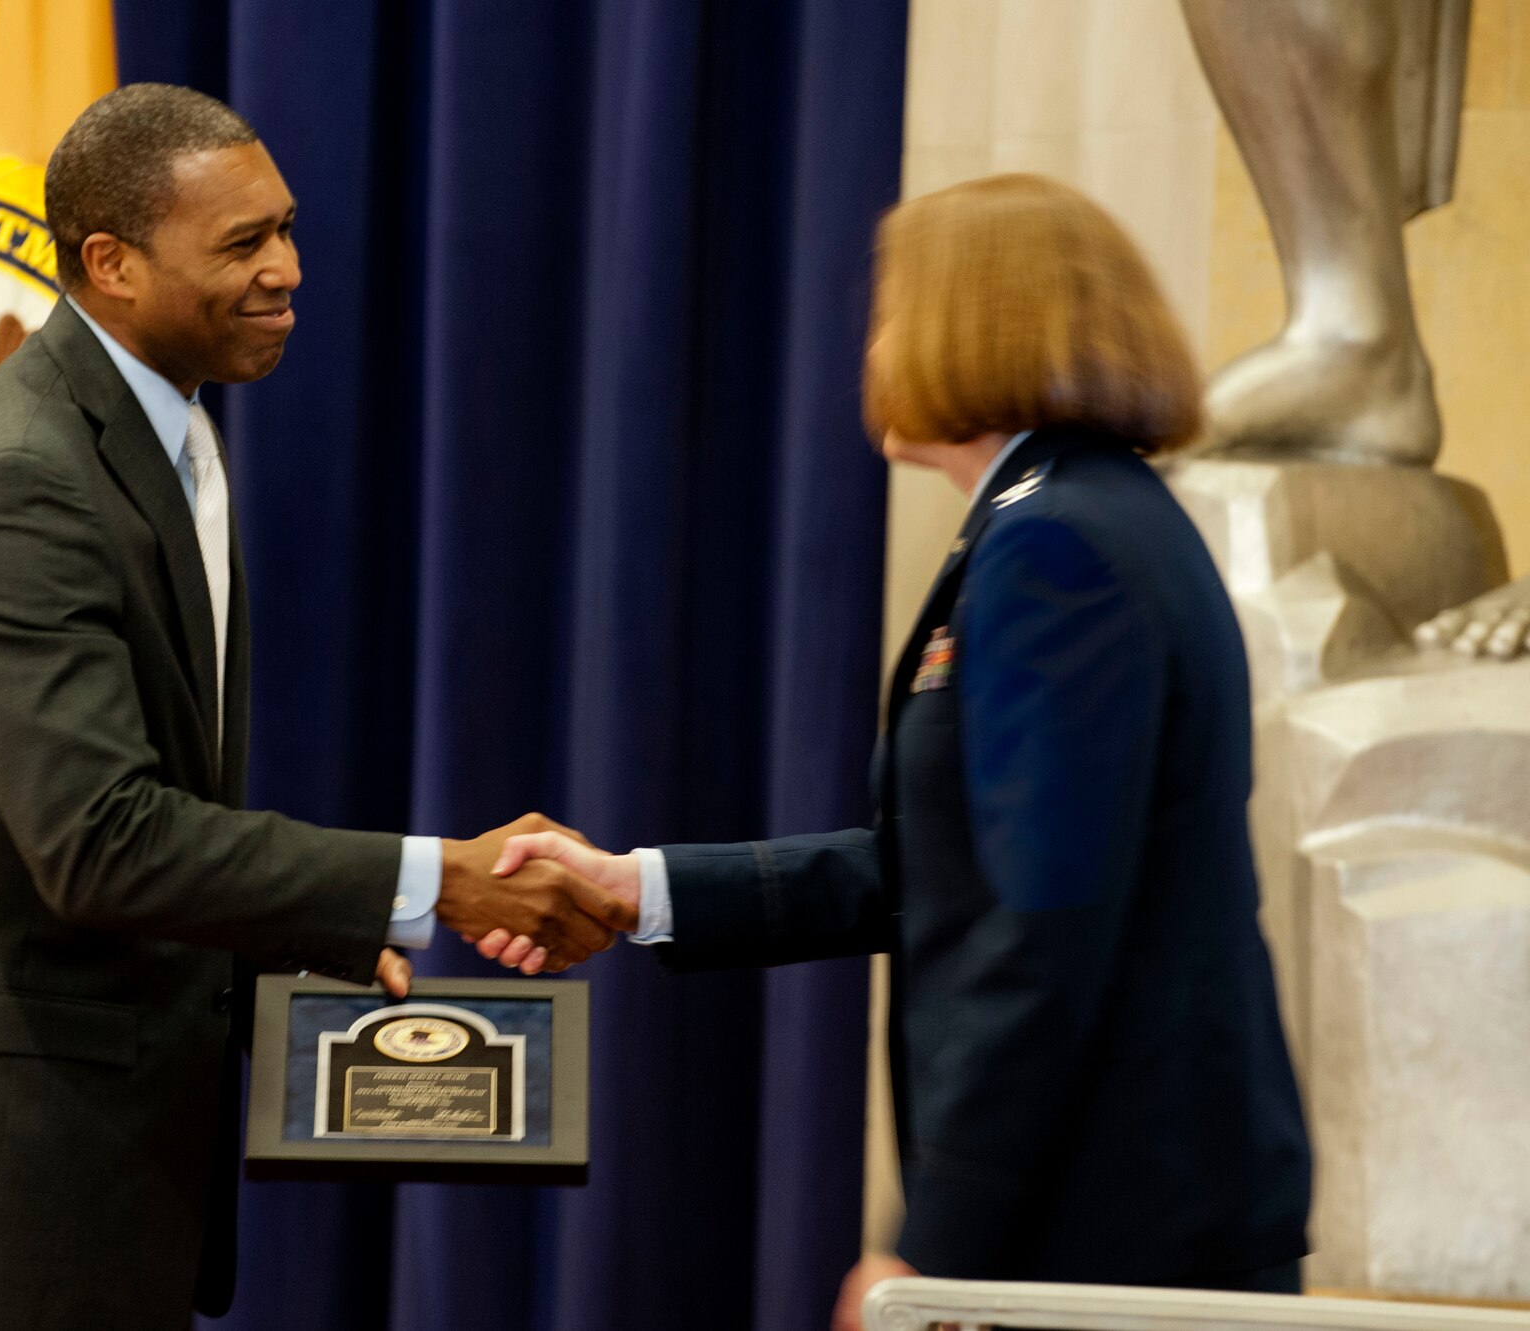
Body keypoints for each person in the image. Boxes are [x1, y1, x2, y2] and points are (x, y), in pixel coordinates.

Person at [0, 85, 632, 1331]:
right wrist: (437, 877)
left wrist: (310, 928)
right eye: (240, 244)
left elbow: (154, 804)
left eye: (283, 227)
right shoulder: (17, 483)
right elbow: (98, 840)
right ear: (109, 264)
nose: (285, 269)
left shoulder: (163, 427)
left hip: (98, 1171)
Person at [488, 174, 1313, 1329]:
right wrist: (640, 888)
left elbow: (1043, 929)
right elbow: (943, 864)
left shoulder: (1057, 547)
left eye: (889, 312)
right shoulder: (1065, 514)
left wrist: (931, 1251)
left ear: (971, 324)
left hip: (1106, 1225)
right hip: (1116, 1207)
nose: (872, 346)